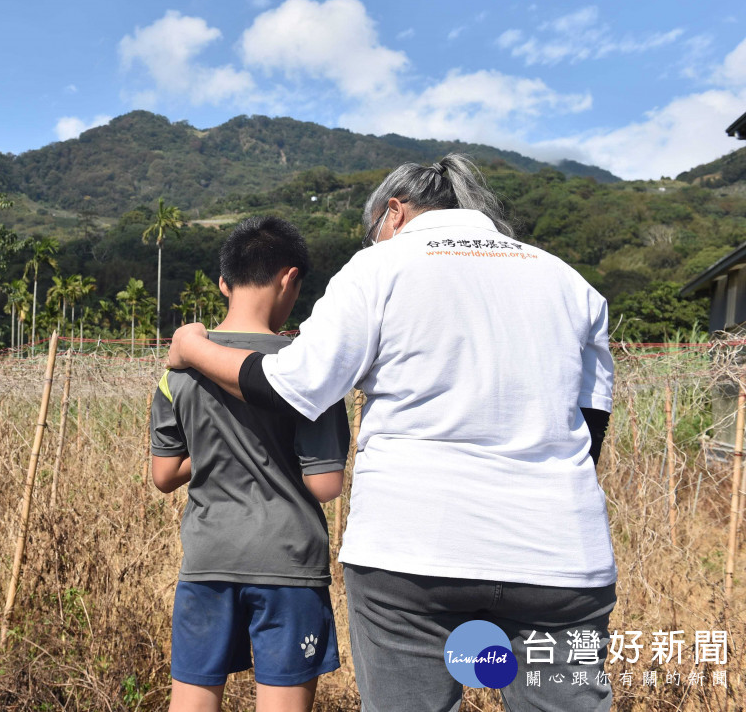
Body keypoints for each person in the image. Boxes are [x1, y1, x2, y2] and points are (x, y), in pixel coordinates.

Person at [165, 155, 616, 712]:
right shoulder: (568, 280)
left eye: (373, 228)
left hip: (411, 551)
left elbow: (293, 384)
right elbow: (591, 427)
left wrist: (193, 348)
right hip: (559, 555)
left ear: (394, 212)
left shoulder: (378, 267)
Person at [151, 215, 352, 712]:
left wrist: (219, 443)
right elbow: (325, 484)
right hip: (288, 563)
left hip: (208, 559)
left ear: (224, 283)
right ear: (290, 278)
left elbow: (163, 476)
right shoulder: (308, 371)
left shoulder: (178, 372)